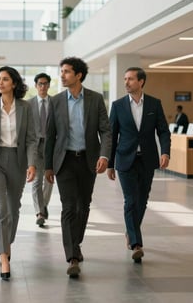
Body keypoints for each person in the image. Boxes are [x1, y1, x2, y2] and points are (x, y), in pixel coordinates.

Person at [44, 57, 111, 278]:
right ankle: (71, 255)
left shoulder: (95, 99)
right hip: (65, 161)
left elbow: (105, 131)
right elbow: (50, 136)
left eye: (67, 72)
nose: (62, 75)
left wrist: (104, 156)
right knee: (69, 207)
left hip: (88, 160)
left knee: (84, 206)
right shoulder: (56, 101)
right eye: (61, 71)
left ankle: (76, 242)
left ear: (79, 75)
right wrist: (48, 167)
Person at [0, 66, 37, 281]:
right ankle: (3, 257)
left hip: (18, 161)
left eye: (5, 79)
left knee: (13, 209)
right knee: (0, 210)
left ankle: (6, 243)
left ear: (14, 83)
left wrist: (32, 164)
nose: (0, 83)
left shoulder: (26, 107)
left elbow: (31, 138)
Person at [107, 67, 171, 263]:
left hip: (147, 159)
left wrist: (165, 151)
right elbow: (112, 135)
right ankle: (136, 243)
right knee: (131, 200)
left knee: (142, 200)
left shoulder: (154, 104)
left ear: (141, 81)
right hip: (125, 159)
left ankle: (131, 231)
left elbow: (163, 131)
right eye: (125, 79)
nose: (126, 82)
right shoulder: (118, 106)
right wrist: (110, 164)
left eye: (130, 79)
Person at [28, 72, 53, 227]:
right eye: (40, 84)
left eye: (45, 83)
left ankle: (43, 205)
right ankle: (40, 212)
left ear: (49, 85)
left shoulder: (55, 102)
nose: (43, 86)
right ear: (36, 86)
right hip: (34, 146)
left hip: (51, 145)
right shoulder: (28, 104)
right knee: (37, 180)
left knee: (49, 179)